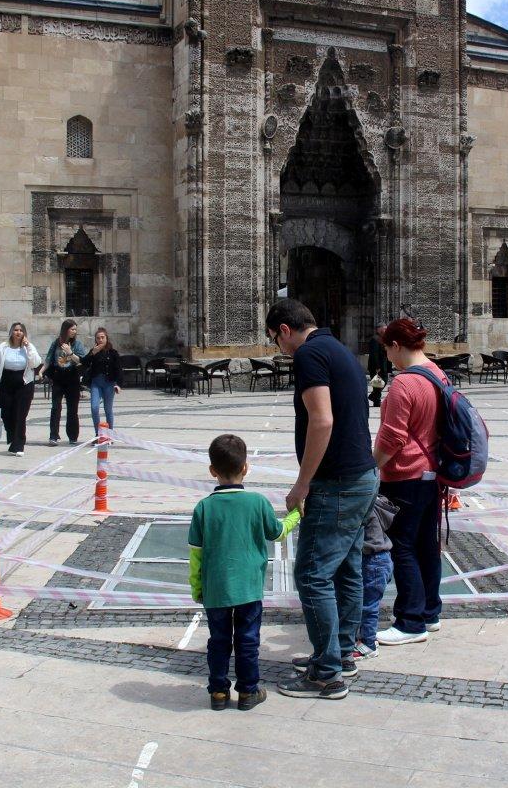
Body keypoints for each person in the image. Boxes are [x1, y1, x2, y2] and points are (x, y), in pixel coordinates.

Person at [266, 298, 378, 700]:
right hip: (362, 476)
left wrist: (302, 482)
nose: (280, 351)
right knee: (346, 570)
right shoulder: (340, 350)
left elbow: (323, 418)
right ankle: (342, 653)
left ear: (283, 330)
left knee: (312, 575)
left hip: (336, 483)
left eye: (275, 341)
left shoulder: (309, 354)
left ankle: (327, 673)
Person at [189, 434, 301, 711]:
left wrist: (196, 587)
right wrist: (296, 514)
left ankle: (217, 692)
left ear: (212, 471)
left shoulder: (203, 507)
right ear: (246, 467)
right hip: (249, 588)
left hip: (215, 588)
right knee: (248, 639)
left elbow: (196, 554)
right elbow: (277, 533)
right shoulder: (258, 502)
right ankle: (249, 691)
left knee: (218, 640)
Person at [372, 317, 448, 645]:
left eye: (387, 350)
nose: (388, 357)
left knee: (401, 547)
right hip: (432, 475)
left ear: (397, 345)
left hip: (405, 476)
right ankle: (430, 612)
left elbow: (392, 437)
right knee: (426, 545)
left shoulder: (405, 383)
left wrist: (372, 467)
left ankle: (410, 621)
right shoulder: (438, 374)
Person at [352, 495, 397, 660]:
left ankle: (368, 644)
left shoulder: (362, 504)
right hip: (382, 559)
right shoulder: (374, 500)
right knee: (368, 604)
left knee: (368, 606)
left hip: (373, 561)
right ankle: (365, 637)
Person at [0, 322, 42, 456]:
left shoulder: (28, 347)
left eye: (21, 330)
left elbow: (35, 363)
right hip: (6, 381)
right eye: (16, 330)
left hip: (24, 383)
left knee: (20, 415)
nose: (18, 332)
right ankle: (13, 439)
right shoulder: (3, 347)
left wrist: (28, 346)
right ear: (11, 332)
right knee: (7, 414)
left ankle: (19, 445)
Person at [43, 319, 88, 446]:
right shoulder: (56, 343)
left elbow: (81, 361)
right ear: (66, 329)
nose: (74, 331)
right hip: (58, 377)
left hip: (72, 377)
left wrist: (70, 352)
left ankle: (73, 436)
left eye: (75, 329)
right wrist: (41, 371)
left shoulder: (77, 344)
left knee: (72, 409)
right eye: (72, 329)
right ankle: (53, 435)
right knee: (56, 407)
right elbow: (48, 359)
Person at [80, 327, 123, 433]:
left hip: (109, 383)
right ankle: (98, 433)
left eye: (102, 337)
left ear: (106, 338)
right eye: (98, 338)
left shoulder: (113, 353)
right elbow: (84, 363)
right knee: (94, 408)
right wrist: (92, 354)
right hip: (96, 383)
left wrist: (118, 384)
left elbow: (119, 370)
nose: (100, 340)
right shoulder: (93, 351)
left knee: (108, 409)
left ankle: (110, 433)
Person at [366, 323, 391, 408]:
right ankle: (377, 401)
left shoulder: (383, 339)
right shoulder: (375, 339)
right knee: (377, 384)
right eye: (384, 329)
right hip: (376, 366)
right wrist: (377, 367)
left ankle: (373, 396)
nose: (386, 330)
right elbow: (374, 354)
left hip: (383, 365)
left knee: (383, 381)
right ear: (379, 329)